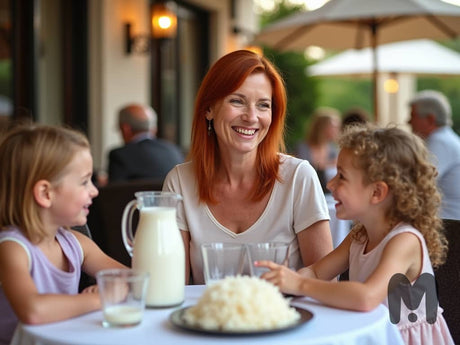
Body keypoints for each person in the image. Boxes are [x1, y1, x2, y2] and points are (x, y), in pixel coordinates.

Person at [257, 125, 454, 345]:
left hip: (405, 339)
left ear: (377, 192)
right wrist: (282, 283)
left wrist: (300, 285)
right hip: (374, 333)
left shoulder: (405, 240)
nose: (330, 184)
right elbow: (316, 271)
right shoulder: (359, 236)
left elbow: (366, 297)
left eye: (342, 176)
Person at [163, 50, 333, 285]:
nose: (252, 117)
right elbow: (171, 288)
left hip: (287, 319)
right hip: (208, 320)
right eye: (237, 101)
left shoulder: (297, 177)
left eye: (263, 105)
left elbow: (326, 284)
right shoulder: (180, 181)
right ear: (209, 109)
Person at [0, 125, 126, 345]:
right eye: (84, 181)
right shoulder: (12, 248)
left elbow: (132, 278)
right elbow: (33, 310)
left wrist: (113, 286)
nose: (94, 190)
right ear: (45, 193)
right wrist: (100, 298)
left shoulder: (75, 243)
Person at [408, 90, 460, 221]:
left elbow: (417, 182)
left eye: (413, 116)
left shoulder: (440, 142)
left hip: (449, 224)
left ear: (430, 119)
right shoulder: (446, 138)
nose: (408, 121)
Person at [107, 103, 184, 183]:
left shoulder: (119, 155)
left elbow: (115, 190)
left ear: (126, 129)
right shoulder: (173, 150)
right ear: (154, 129)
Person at [294, 107, 341, 193]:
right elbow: (302, 172)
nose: (337, 130)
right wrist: (328, 165)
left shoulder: (333, 149)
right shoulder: (303, 148)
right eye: (333, 126)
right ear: (322, 127)